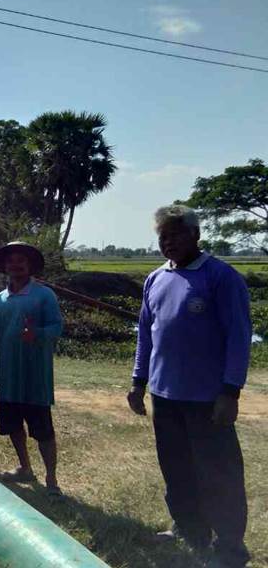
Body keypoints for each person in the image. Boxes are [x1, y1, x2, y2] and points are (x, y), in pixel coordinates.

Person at [127, 205, 251, 567]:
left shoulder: (221, 277)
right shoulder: (155, 279)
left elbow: (239, 337)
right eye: (163, 236)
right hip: (164, 395)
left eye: (177, 235)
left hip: (207, 398)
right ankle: (189, 529)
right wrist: (138, 381)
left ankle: (230, 547)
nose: (169, 242)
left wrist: (230, 391)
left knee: (218, 472)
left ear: (195, 235)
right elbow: (146, 336)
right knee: (176, 467)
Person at [0, 241, 63, 497]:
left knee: (43, 430)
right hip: (8, 375)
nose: (16, 264)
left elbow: (57, 327)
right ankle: (25, 467)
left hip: (35, 377)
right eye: (11, 261)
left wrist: (37, 334)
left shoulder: (44, 295)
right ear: (4, 266)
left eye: (21, 260)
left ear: (30, 265)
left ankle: (51, 478)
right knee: (13, 425)